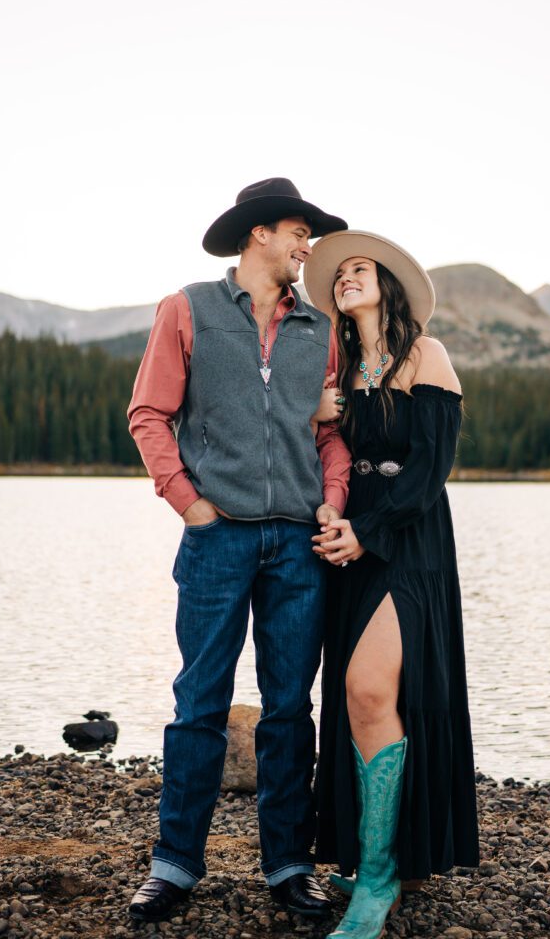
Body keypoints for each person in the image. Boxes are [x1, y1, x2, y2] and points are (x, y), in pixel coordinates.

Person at [126, 178, 352, 922]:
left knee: (289, 709)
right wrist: (187, 503)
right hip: (215, 538)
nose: (306, 247)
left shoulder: (319, 329)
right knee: (200, 704)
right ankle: (173, 866)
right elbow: (149, 413)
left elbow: (329, 436)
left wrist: (333, 503)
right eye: (298, 232)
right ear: (259, 233)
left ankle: (288, 866)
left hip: (295, 543)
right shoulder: (186, 308)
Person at [304, 231, 480, 939]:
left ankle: (376, 883)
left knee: (370, 691)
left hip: (408, 539)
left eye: (358, 269)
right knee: (362, 700)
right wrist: (331, 509)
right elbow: (333, 453)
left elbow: (430, 468)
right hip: (351, 539)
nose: (346, 278)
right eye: (338, 273)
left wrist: (367, 533)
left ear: (386, 286)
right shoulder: (343, 369)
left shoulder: (425, 355)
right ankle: (379, 857)